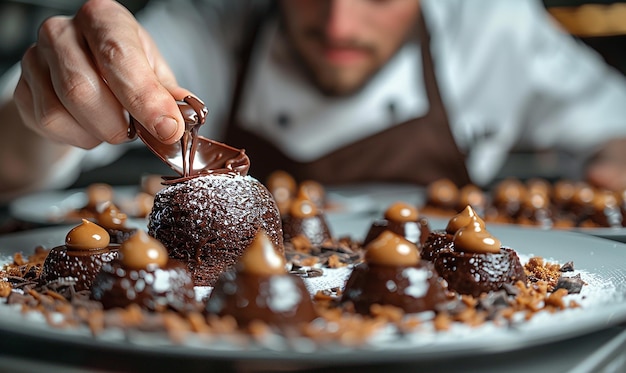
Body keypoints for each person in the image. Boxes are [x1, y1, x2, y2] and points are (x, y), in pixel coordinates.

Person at [1, 0, 626, 201]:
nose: (338, 26)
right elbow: (12, 160)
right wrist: (47, 110)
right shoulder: (206, 28)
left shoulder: (495, 27)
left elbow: (614, 126)